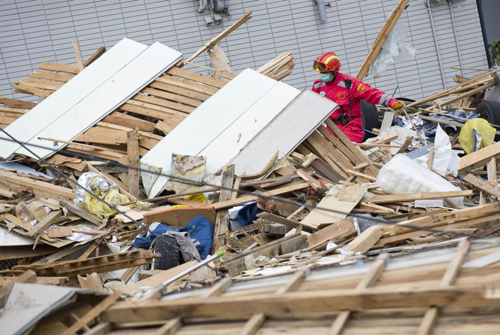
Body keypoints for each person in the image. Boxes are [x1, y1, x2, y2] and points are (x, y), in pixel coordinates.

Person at [311, 52, 405, 143]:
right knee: (328, 151)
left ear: (334, 71)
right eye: (321, 72)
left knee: (346, 149)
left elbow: (372, 93)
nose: (322, 74)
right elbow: (310, 106)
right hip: (332, 128)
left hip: (351, 127)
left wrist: (392, 102)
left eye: (325, 72)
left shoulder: (349, 84)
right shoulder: (317, 86)